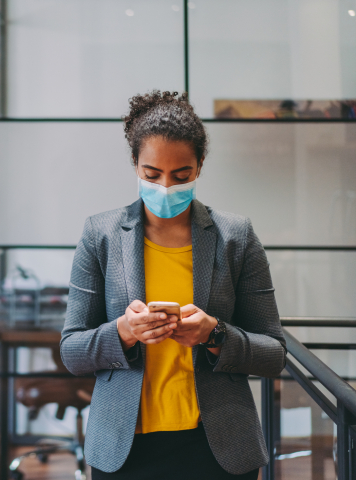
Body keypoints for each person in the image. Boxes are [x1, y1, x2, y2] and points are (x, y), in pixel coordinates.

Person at [60, 90, 286, 479]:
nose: (166, 187)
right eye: (152, 174)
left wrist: (214, 334)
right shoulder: (101, 235)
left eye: (182, 175)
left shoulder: (235, 236)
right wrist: (124, 332)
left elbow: (273, 353)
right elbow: (72, 351)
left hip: (218, 445)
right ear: (135, 164)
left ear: (199, 166)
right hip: (125, 448)